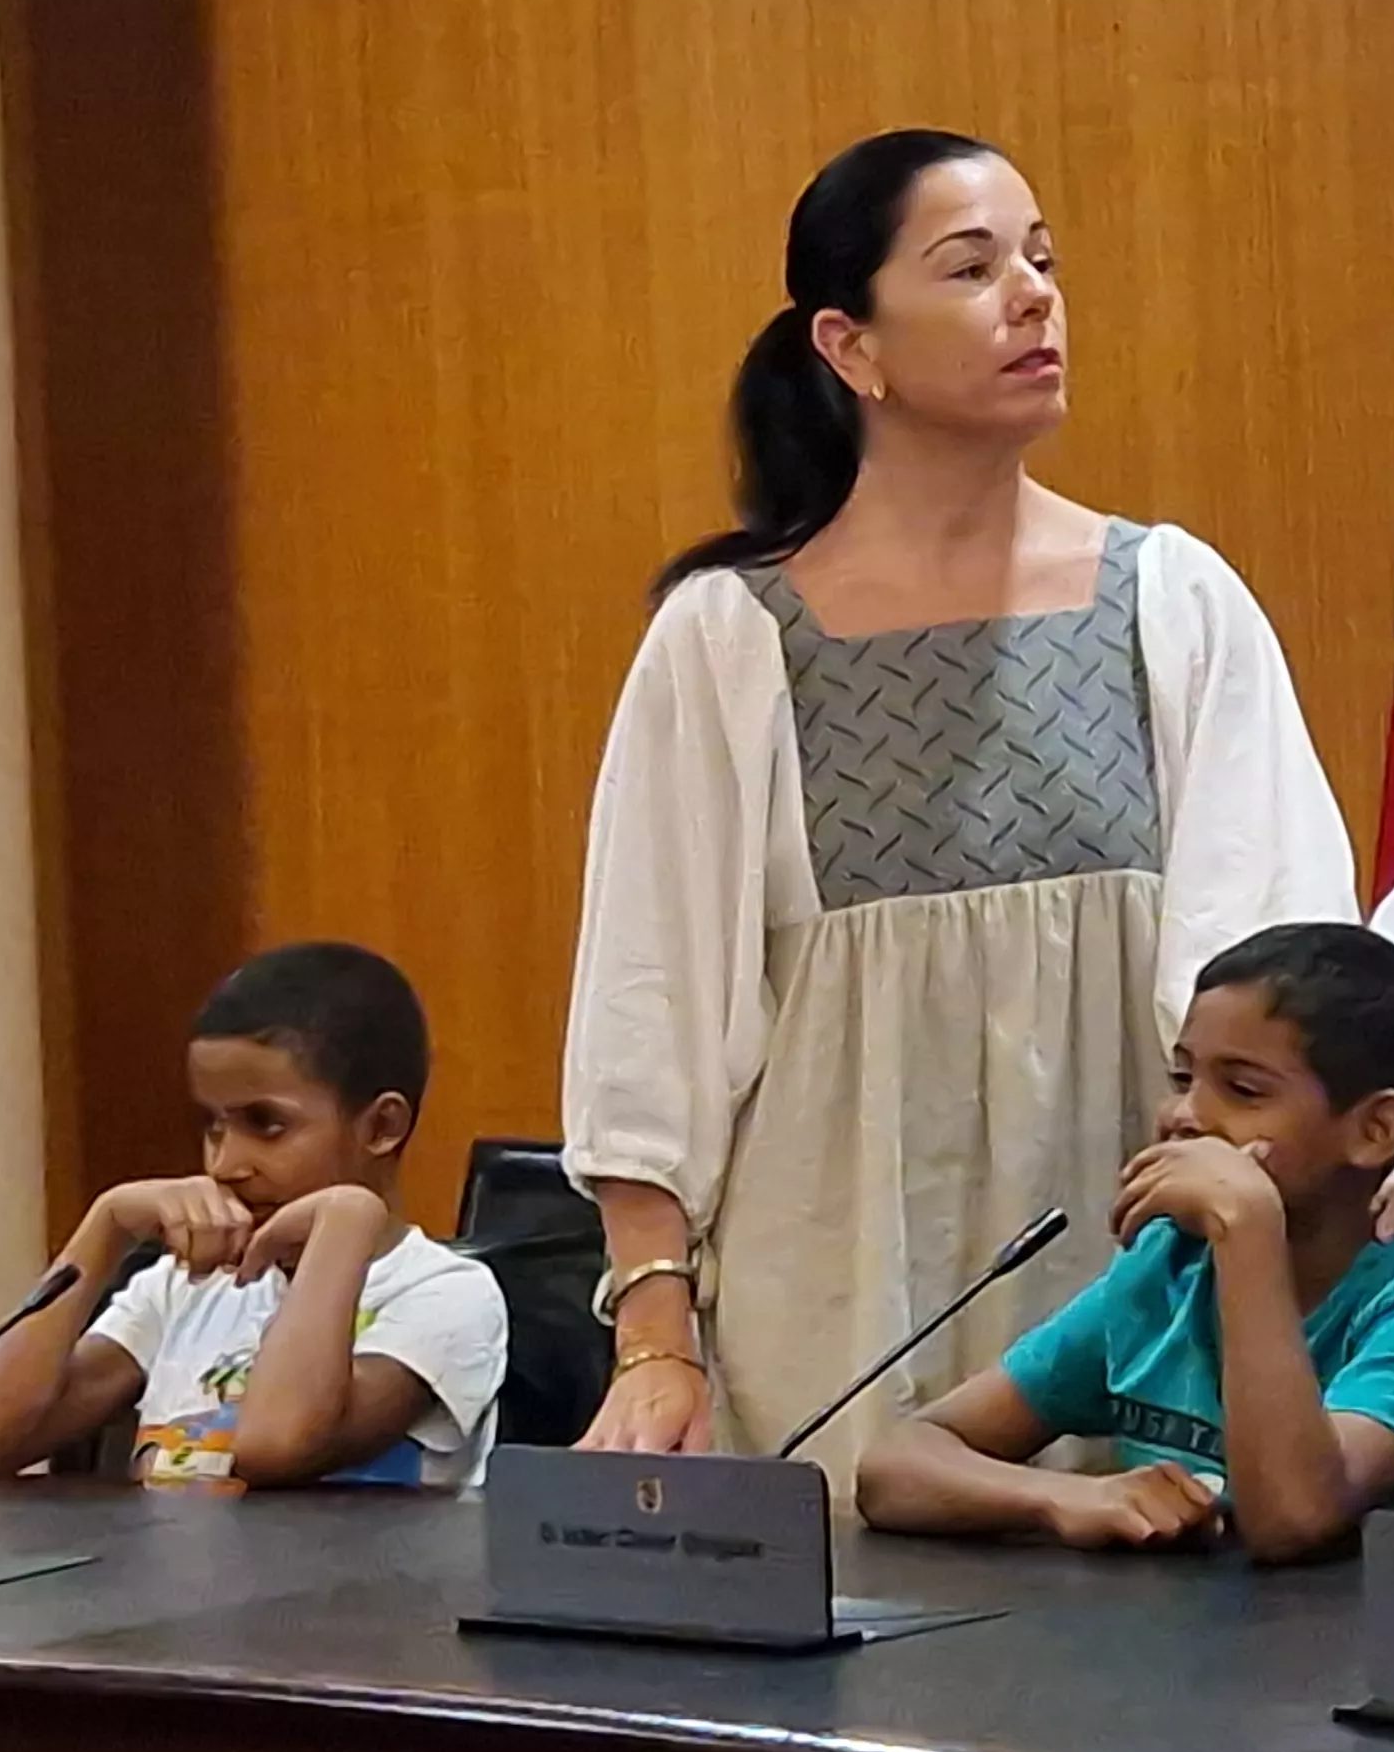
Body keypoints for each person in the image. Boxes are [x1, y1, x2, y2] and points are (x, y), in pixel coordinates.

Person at [562, 128, 1353, 1474]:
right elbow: (652, 1015)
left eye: (1041, 259)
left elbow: (1286, 968)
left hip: (1130, 1273)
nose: (1034, 296)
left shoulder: (1172, 598)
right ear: (850, 345)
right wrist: (654, 1339)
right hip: (831, 1299)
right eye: (972, 268)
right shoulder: (727, 636)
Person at [855, 923, 1394, 1563]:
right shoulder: (1168, 1271)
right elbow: (897, 1466)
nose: (1184, 1115)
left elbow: (1293, 1520)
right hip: (1215, 1641)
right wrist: (1062, 1497)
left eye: (1242, 1089)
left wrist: (1247, 1228)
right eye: (1183, 1078)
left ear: (1374, 1130)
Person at [0, 942, 506, 1491]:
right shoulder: (183, 1285)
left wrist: (347, 1222)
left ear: (381, 1127)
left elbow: (276, 1446)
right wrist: (104, 1228)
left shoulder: (444, 1294)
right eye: (213, 1126)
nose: (224, 1164)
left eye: (266, 1125)